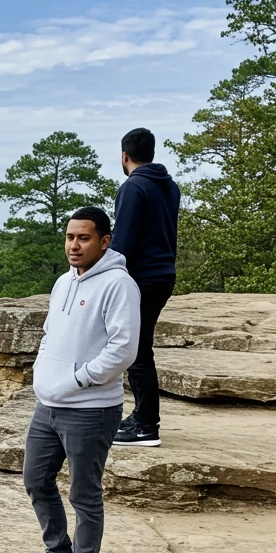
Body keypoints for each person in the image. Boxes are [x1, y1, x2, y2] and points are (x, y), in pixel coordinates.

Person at [14, 207, 140, 553]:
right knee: (36, 479)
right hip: (48, 405)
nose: (74, 245)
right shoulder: (63, 282)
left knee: (85, 495)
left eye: (84, 238)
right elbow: (52, 333)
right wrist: (44, 374)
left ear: (104, 241)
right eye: (70, 237)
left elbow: (124, 348)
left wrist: (80, 378)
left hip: (90, 408)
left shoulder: (119, 285)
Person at [109, 127, 180, 448]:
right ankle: (142, 417)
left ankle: (145, 423)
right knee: (140, 347)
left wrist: (101, 277)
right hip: (163, 274)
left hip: (141, 278)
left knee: (137, 350)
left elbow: (122, 242)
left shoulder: (133, 188)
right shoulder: (169, 187)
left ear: (124, 156)